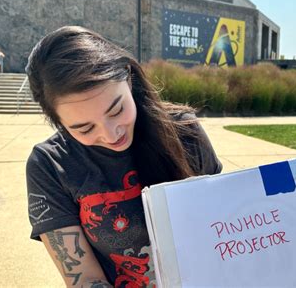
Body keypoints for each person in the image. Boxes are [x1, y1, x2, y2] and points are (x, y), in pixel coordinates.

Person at [25, 26, 222, 287]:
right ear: (58, 122)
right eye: (84, 128)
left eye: (117, 110)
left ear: (128, 79)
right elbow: (84, 278)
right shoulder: (50, 165)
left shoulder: (184, 131)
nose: (110, 134)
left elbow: (223, 223)